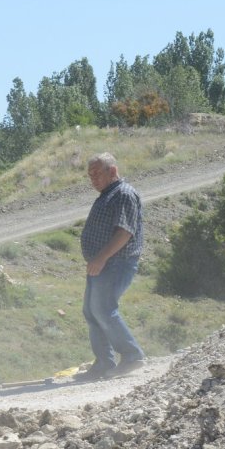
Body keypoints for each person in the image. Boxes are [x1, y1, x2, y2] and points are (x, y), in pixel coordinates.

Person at [78, 152, 146, 380]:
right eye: (90, 175)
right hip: (102, 264)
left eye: (97, 173)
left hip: (116, 262)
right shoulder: (108, 195)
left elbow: (125, 232)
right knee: (91, 310)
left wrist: (101, 258)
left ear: (113, 171)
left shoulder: (123, 194)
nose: (93, 179)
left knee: (103, 309)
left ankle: (132, 355)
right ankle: (104, 363)